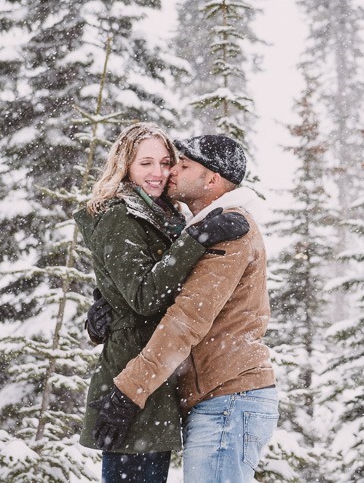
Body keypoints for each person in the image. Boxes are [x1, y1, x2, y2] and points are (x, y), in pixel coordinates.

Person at [89, 134, 278, 483]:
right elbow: (156, 287)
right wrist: (108, 307)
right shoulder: (199, 228)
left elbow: (185, 319)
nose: (170, 171)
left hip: (230, 398)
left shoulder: (229, 231)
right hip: (218, 398)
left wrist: (128, 392)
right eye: (155, 163)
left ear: (212, 179)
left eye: (182, 164)